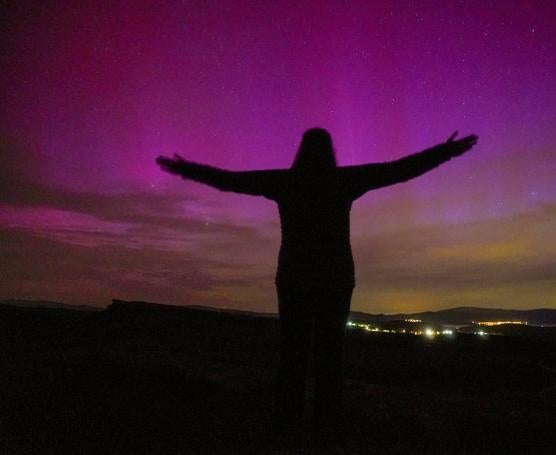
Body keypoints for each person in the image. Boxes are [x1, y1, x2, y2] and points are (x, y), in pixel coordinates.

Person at [156, 128, 477, 450]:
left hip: (294, 278)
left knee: (292, 354)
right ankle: (328, 431)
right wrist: (446, 151)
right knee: (330, 356)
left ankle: (286, 427)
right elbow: (400, 170)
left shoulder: (285, 181)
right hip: (335, 279)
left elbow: (230, 180)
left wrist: (187, 170)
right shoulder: (344, 180)